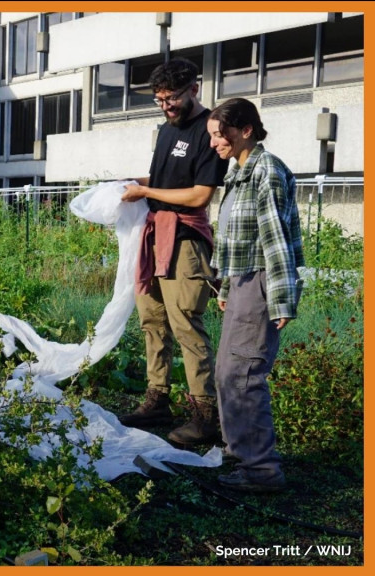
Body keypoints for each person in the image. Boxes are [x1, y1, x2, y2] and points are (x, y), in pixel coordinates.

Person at [119, 58, 228, 445]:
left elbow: (200, 193)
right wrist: (134, 183)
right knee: (152, 318)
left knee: (185, 324)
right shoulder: (166, 130)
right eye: (159, 100)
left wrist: (146, 192)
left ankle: (204, 415)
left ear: (194, 89)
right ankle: (158, 397)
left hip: (185, 240)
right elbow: (165, 180)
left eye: (172, 98)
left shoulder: (210, 131)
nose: (166, 106)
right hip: (154, 237)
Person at [207, 98, 302, 493]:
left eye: (219, 134)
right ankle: (239, 455)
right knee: (227, 373)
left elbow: (275, 239)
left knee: (245, 376)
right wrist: (227, 285)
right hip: (243, 280)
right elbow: (236, 240)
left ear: (245, 130)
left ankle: (261, 471)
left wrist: (281, 298)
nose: (214, 143)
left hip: (261, 282)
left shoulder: (267, 171)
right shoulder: (239, 172)